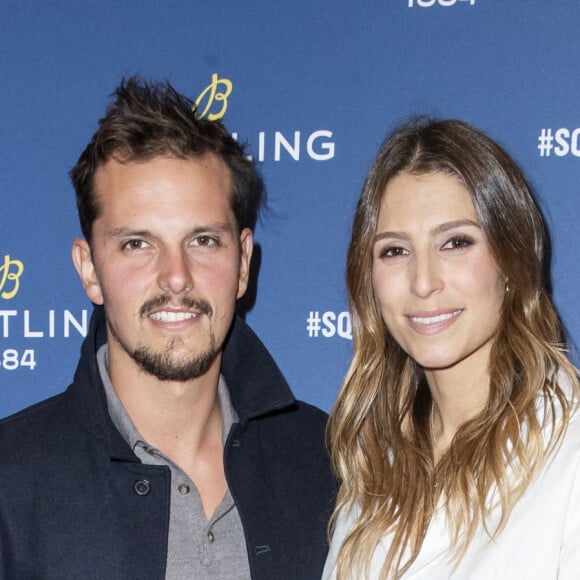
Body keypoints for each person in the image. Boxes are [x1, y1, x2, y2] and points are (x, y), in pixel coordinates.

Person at [0, 77, 336, 580]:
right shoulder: (9, 481)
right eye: (137, 244)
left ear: (243, 261)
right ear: (89, 268)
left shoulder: (331, 463)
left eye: (202, 240)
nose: (175, 277)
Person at [323, 118, 580, 579]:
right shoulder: (374, 470)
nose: (423, 282)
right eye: (394, 251)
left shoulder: (570, 449)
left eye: (455, 242)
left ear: (511, 259)